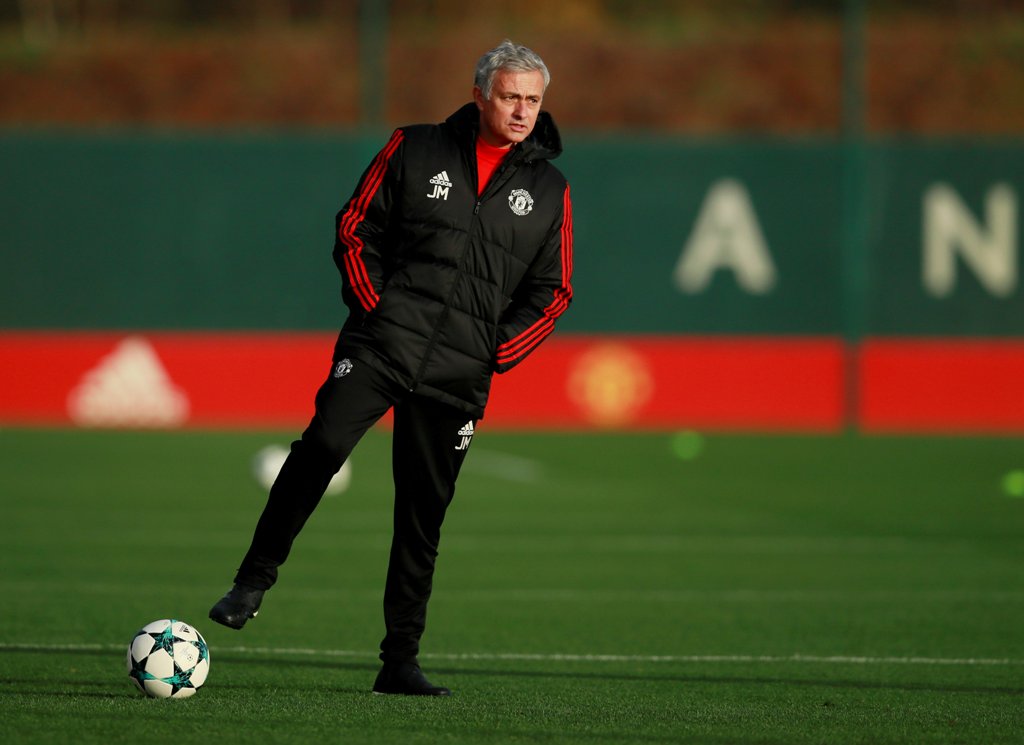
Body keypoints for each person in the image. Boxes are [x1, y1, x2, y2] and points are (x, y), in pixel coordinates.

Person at [209, 39, 573, 697]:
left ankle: (399, 662)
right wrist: (378, 310)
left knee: (421, 518)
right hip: (382, 345)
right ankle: (251, 582)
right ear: (479, 95)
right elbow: (355, 228)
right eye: (510, 96)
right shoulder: (415, 147)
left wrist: (495, 350)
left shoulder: (551, 190)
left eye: (533, 99)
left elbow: (553, 291)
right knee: (322, 446)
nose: (523, 111)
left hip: (460, 371)